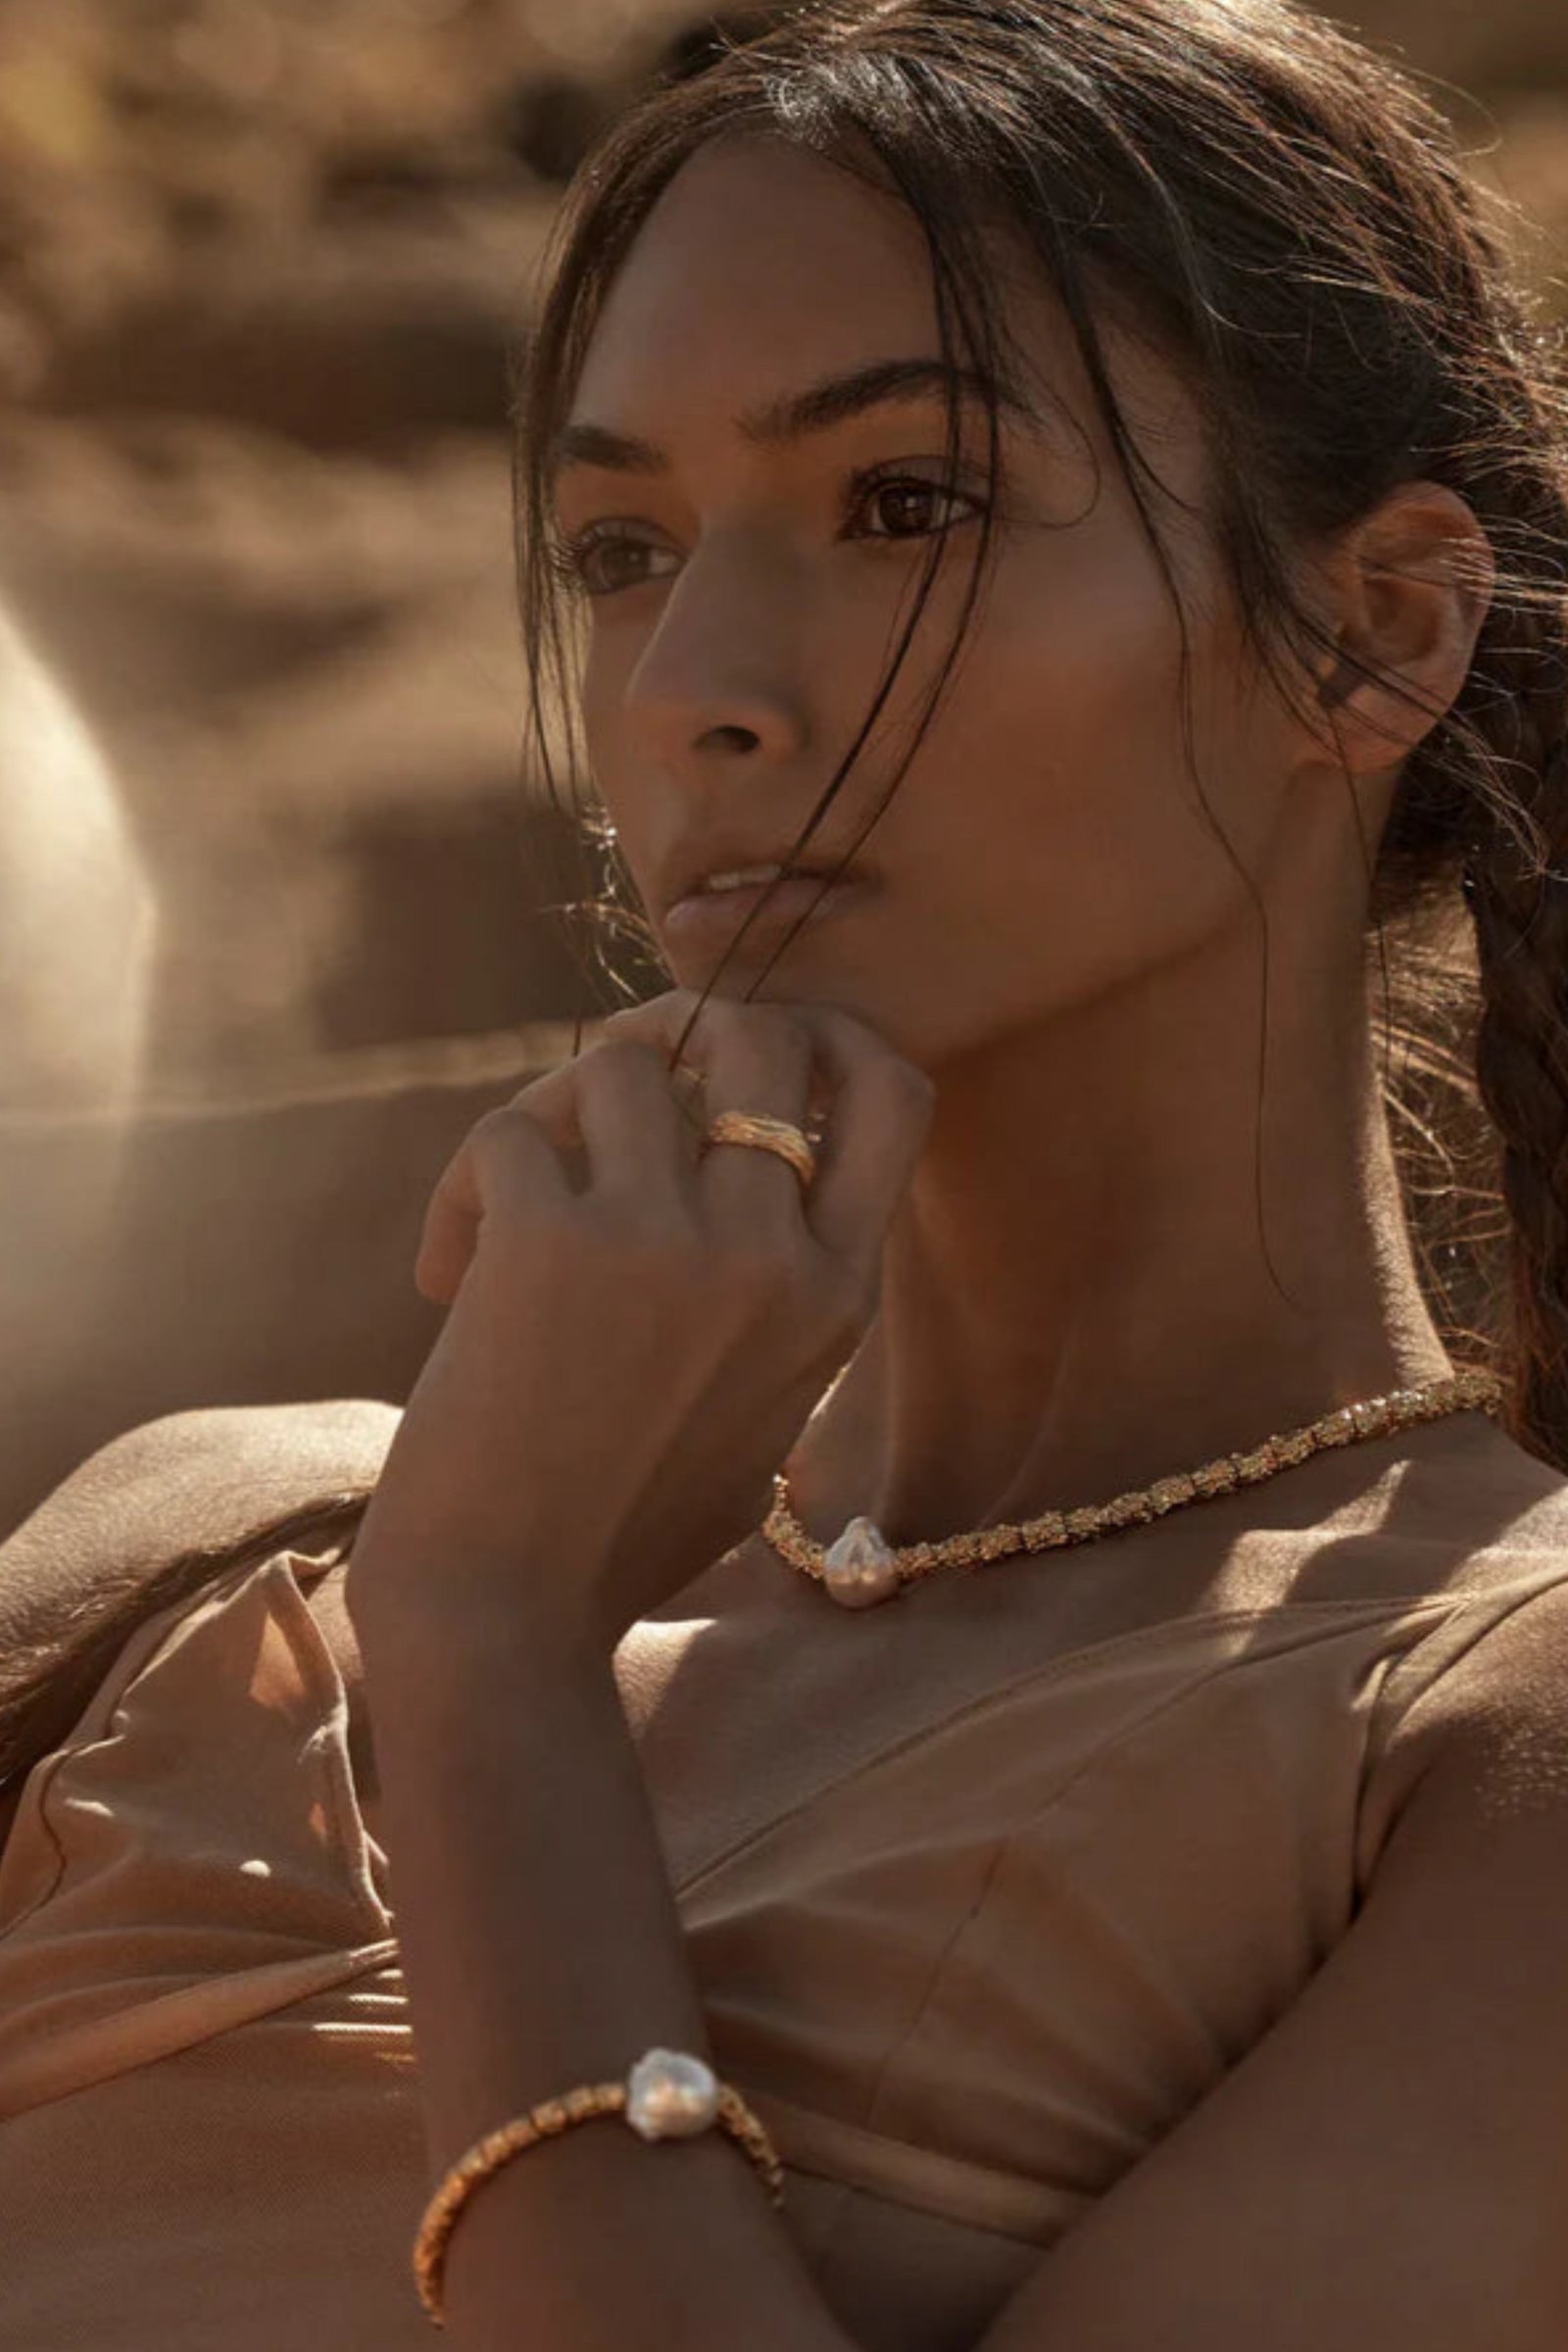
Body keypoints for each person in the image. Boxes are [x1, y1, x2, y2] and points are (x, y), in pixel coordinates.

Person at [3, 0, 1568, 2343]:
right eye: (620, 547)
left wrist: (499, 1667)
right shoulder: (226, 1544)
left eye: (905, 505)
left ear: (1371, 630)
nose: (688, 685)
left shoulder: (1472, 1731)